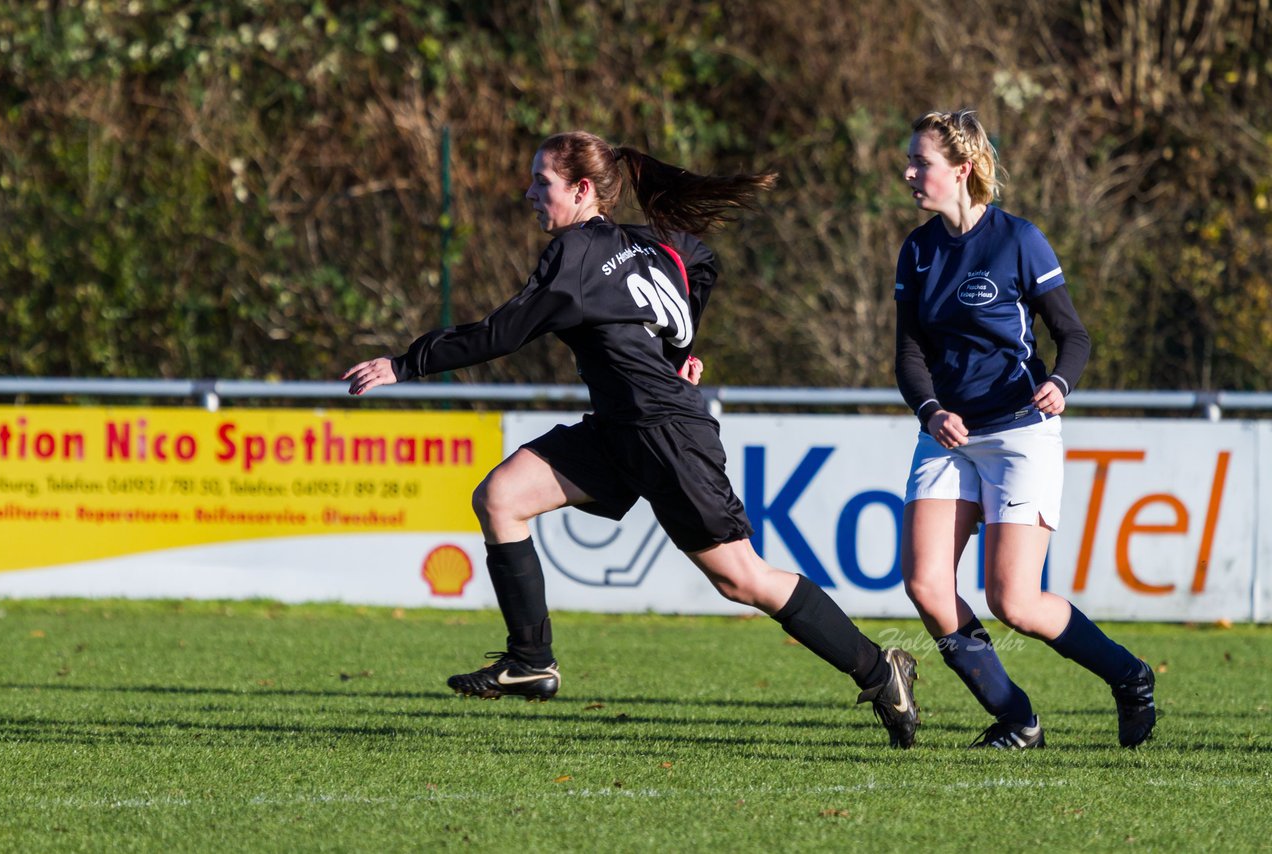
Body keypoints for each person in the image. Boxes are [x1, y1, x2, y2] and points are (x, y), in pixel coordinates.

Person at [343, 130, 921, 748]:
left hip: (667, 434)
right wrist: (679, 345)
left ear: (582, 190)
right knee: (501, 497)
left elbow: (503, 332)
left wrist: (407, 363)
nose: (530, 193)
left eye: (542, 182)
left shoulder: (578, 256)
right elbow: (700, 260)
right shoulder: (649, 242)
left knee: (742, 579)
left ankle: (878, 669)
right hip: (621, 429)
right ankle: (531, 660)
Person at [893, 109, 1156, 749]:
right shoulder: (918, 249)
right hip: (948, 436)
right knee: (927, 587)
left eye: (919, 162)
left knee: (1016, 601)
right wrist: (931, 410)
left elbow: (1073, 335)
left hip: (1019, 433)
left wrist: (1059, 383)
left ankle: (1130, 676)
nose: (908, 173)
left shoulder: (1019, 239)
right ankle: (1017, 718)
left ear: (962, 170)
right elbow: (907, 353)